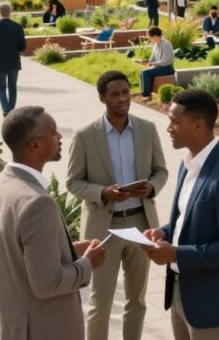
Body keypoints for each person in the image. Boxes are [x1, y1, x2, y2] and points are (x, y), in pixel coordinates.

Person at [0, 106, 107, 340]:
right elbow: (47, 284)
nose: (59, 137)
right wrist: (88, 263)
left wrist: (66, 251)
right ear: (35, 144)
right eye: (54, 133)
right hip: (44, 330)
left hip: (4, 326)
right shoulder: (37, 203)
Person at [67, 71, 169, 340]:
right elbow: (73, 182)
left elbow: (161, 171)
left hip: (141, 225)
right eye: (115, 94)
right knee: (100, 304)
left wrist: (151, 187)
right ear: (102, 98)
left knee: (138, 300)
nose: (123, 98)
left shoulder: (148, 129)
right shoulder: (85, 135)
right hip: (104, 230)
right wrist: (103, 192)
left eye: (126, 92)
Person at [142, 89, 219, 339]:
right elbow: (186, 217)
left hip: (212, 303)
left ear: (198, 125)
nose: (169, 128)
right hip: (181, 294)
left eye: (174, 121)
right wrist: (164, 232)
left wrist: (176, 254)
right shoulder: (187, 163)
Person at [0, 2, 27, 116]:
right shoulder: (18, 27)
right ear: (10, 12)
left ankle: (6, 109)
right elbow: (22, 47)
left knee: (1, 87)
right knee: (12, 87)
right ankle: (11, 109)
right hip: (14, 62)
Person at [135, 26, 174, 100]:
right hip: (159, 67)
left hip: (167, 68)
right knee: (142, 72)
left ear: (155, 36)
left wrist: (153, 63)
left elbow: (166, 61)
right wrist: (145, 61)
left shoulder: (166, 44)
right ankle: (145, 92)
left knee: (145, 72)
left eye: (150, 37)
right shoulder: (156, 44)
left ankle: (146, 94)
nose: (150, 39)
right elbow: (152, 58)